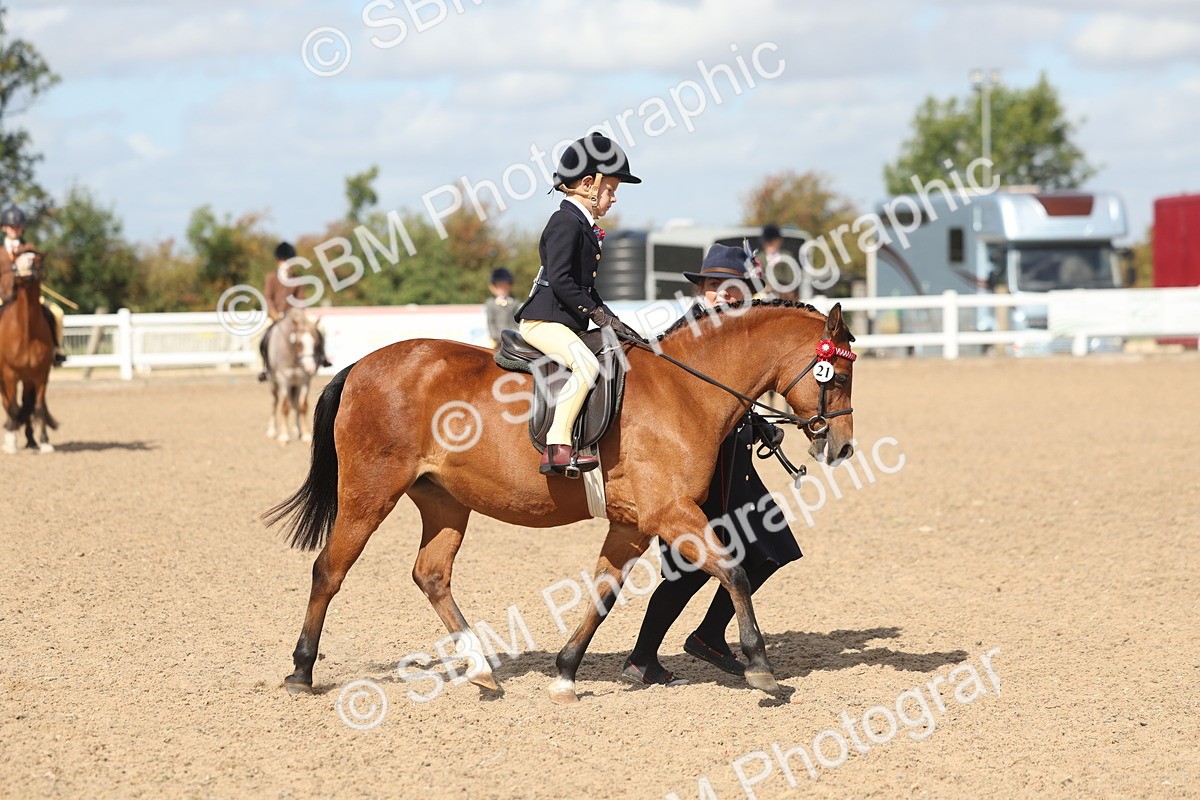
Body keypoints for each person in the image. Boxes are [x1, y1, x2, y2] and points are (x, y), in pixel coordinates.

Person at [621, 243, 801, 687]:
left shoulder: (745, 334)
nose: (723, 294)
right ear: (703, 289)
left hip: (734, 460)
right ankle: (644, 657)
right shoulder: (688, 330)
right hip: (698, 467)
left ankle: (706, 635)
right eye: (715, 285)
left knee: (770, 551)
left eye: (731, 286)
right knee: (690, 567)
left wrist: (757, 425)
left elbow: (736, 393)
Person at [513, 133, 644, 476]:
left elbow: (586, 288)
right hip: (543, 321)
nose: (614, 199)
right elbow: (560, 280)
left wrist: (614, 322)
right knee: (587, 366)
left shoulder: (583, 226)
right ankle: (558, 446)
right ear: (589, 184)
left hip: (563, 321)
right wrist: (596, 315)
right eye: (611, 190)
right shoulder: (565, 222)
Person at [0, 206, 66, 366]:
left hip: (27, 296)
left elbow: (36, 267)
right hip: (3, 295)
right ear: (4, 228)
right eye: (12, 226)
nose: (15, 230)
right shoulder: (0, 252)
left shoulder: (29, 248)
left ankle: (57, 349)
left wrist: (27, 256)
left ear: (23, 228)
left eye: (18, 226)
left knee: (57, 312)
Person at [258, 241, 330, 382]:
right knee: (260, 335)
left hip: (295, 316)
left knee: (321, 328)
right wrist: (275, 315)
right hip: (276, 317)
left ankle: (322, 357)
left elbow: (301, 301)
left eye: (290, 261)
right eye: (285, 260)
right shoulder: (271, 278)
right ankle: (265, 367)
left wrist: (297, 316)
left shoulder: (298, 279)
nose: (288, 264)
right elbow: (268, 298)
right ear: (278, 261)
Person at [484, 267, 517, 347]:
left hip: (511, 339)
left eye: (505, 286)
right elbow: (491, 322)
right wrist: (496, 337)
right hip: (496, 339)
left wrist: (513, 335)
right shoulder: (490, 303)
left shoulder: (514, 302)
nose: (503, 289)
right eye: (500, 286)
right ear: (494, 287)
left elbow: (516, 322)